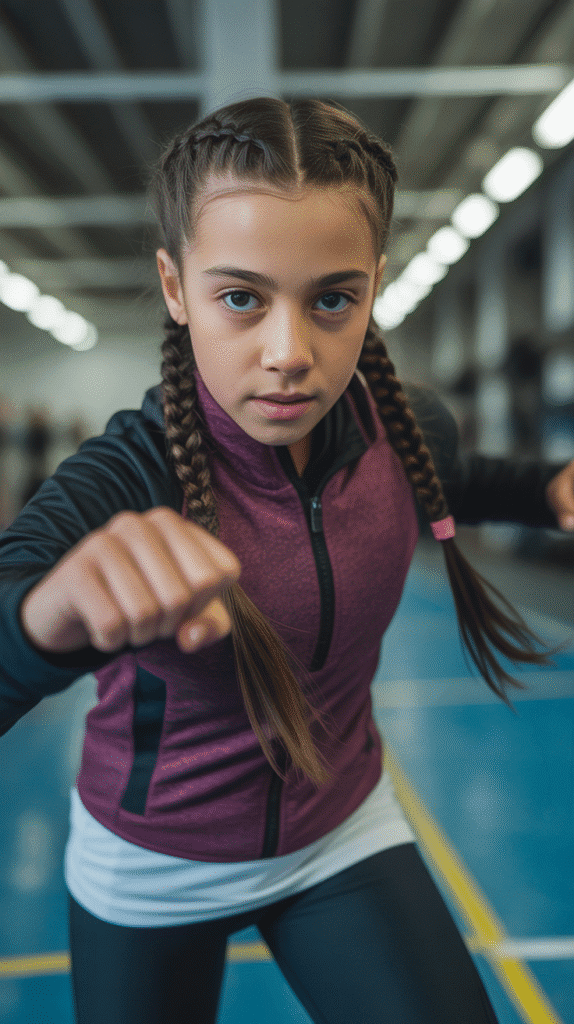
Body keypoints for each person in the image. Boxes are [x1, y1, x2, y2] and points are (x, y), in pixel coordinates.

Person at [1, 97, 574, 1024]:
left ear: (374, 286)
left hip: (339, 831)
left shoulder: (408, 428)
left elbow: (454, 478)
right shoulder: (130, 472)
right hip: (151, 866)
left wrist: (547, 488)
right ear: (176, 287)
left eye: (332, 299)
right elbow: (14, 589)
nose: (289, 354)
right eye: (240, 297)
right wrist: (43, 617)